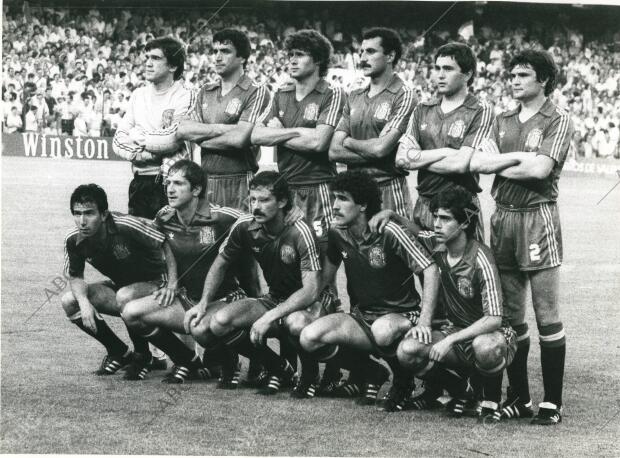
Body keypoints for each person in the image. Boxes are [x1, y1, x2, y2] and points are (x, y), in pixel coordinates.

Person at [470, 49, 572, 425]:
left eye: (523, 75)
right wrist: (519, 162)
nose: (514, 80)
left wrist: (503, 161)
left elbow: (541, 169)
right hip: (503, 218)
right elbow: (478, 164)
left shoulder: (558, 119)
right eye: (512, 74)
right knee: (511, 317)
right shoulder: (501, 119)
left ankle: (553, 402)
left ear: (543, 79)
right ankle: (520, 397)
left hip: (538, 219)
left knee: (546, 315)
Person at [251, 29, 345, 393]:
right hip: (287, 192)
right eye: (290, 53)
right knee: (287, 273)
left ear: (318, 61)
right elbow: (257, 136)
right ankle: (289, 364)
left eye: (301, 54)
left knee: (324, 278)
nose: (292, 59)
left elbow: (321, 142)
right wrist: (296, 134)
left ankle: (330, 365)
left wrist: (283, 131)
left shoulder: (332, 93)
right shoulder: (282, 93)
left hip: (320, 190)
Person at [300, 170, 438, 410]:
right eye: (334, 198)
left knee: (383, 330)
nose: (334, 206)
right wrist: (312, 304)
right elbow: (325, 277)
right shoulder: (336, 232)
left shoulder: (390, 232)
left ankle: (403, 382)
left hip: (401, 316)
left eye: (342, 199)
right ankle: (372, 372)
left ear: (363, 204)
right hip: (362, 317)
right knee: (309, 337)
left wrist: (425, 321)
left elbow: (430, 269)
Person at [184, 171, 325, 395]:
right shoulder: (244, 226)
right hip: (274, 298)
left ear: (282, 201)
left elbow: (310, 291)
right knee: (219, 322)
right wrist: (203, 303)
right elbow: (220, 263)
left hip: (311, 304)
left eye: (264, 200)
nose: (256, 206)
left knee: (295, 323)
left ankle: (310, 374)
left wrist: (270, 316)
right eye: (252, 199)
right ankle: (279, 368)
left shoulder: (300, 231)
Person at [387, 186, 517, 423]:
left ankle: (490, 399)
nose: (436, 224)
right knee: (408, 351)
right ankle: (459, 388)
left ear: (464, 224)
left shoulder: (480, 258)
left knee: (485, 347)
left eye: (445, 219)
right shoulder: (437, 245)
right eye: (435, 216)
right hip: (456, 334)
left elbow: (494, 319)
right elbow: (417, 231)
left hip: (494, 335)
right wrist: (392, 215)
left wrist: (450, 340)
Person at [120, 160, 245, 384]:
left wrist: (291, 211)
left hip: (224, 300)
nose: (169, 188)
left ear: (196, 189)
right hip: (187, 299)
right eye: (168, 182)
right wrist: (171, 281)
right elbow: (161, 244)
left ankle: (230, 358)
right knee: (131, 312)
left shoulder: (222, 217)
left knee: (199, 329)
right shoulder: (164, 217)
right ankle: (187, 360)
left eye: (178, 183)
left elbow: (258, 219)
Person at [61, 184, 174, 378]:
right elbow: (76, 276)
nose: (82, 221)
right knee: (70, 301)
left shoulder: (126, 225)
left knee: (125, 296)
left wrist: (172, 284)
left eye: (89, 213)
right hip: (125, 289)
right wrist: (84, 304)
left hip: (157, 284)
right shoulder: (74, 241)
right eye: (77, 213)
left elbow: (165, 243)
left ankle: (144, 356)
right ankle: (119, 352)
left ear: (104, 214)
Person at [395, 43, 494, 240]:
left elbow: (460, 164)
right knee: (425, 269)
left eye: (448, 69)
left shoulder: (480, 110)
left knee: (464, 268)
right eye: (437, 68)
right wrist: (447, 152)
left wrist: (420, 157)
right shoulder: (423, 108)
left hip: (461, 208)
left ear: (467, 74)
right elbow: (401, 159)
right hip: (424, 205)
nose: (439, 75)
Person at [174, 28, 269, 212]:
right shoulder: (205, 91)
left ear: (242, 57)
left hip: (240, 182)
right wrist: (227, 129)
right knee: (206, 238)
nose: (217, 57)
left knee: (238, 237)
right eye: (215, 51)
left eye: (225, 51)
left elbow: (239, 139)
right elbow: (183, 130)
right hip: (205, 180)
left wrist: (201, 138)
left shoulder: (256, 91)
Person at [329, 27, 416, 218]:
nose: (362, 58)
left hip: (387, 189)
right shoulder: (354, 96)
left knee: (390, 244)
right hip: (355, 191)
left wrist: (349, 142)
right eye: (361, 52)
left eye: (370, 52)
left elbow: (380, 149)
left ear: (390, 55)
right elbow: (334, 151)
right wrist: (378, 150)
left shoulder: (404, 95)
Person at [112, 36, 195, 220]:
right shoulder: (138, 95)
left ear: (173, 66)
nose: (148, 64)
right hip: (139, 182)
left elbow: (171, 140)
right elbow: (118, 139)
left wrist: (136, 135)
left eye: (156, 58)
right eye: (147, 57)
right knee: (139, 242)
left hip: (171, 182)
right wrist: (137, 155)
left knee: (171, 242)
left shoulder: (186, 96)